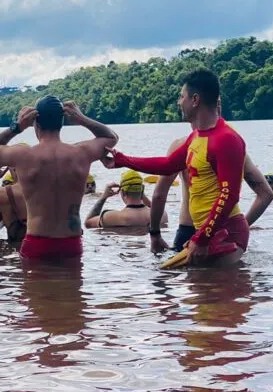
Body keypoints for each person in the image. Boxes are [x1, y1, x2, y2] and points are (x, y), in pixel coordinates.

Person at [102, 69, 248, 266]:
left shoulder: (226, 139)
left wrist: (201, 237)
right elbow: (168, 164)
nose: (179, 102)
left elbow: (229, 195)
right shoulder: (196, 137)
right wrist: (123, 159)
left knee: (214, 293)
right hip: (206, 231)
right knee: (192, 288)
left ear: (195, 100)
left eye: (182, 97)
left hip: (227, 233)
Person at [0, 96, 118, 259]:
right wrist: (82, 119)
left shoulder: (24, 155)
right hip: (71, 243)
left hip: (37, 242)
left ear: (35, 123)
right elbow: (112, 138)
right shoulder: (81, 153)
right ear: (62, 123)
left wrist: (17, 126)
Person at [149, 139, 273, 252]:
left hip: (190, 230)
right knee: (228, 276)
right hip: (227, 231)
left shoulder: (182, 146)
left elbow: (159, 194)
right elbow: (266, 194)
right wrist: (242, 226)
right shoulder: (234, 147)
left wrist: (155, 234)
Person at [84, 170, 168, 228]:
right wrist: (142, 194)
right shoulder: (162, 215)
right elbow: (156, 209)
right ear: (142, 189)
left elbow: (88, 223)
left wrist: (103, 197)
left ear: (123, 192)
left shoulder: (111, 217)